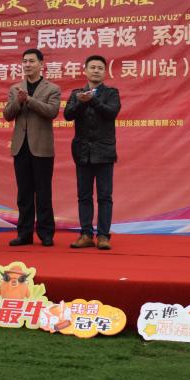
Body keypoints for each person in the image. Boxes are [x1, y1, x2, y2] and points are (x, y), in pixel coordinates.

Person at [3, 48, 60, 246]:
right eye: (24, 61)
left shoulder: (52, 88)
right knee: (24, 193)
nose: (27, 65)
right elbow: (7, 115)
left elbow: (51, 111)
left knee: (43, 193)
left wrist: (29, 100)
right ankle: (24, 234)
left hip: (42, 147)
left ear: (41, 64)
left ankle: (46, 233)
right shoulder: (15, 88)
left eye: (31, 61)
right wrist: (18, 102)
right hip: (21, 146)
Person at [64, 55, 121, 250]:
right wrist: (82, 102)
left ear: (104, 73)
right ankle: (86, 234)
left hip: (104, 151)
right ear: (85, 71)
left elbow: (111, 113)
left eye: (100, 68)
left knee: (105, 196)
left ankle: (103, 236)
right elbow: (67, 115)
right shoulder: (76, 93)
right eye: (92, 67)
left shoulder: (112, 93)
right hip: (82, 152)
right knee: (84, 195)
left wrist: (93, 100)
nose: (96, 70)